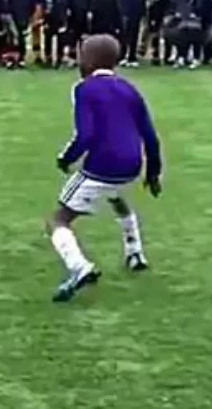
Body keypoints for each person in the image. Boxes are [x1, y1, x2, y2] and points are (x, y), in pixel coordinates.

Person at [48, 34, 162, 302]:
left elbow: (85, 134)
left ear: (89, 60)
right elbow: (150, 134)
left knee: (58, 219)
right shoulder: (129, 88)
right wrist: (153, 172)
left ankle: (79, 268)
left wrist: (65, 158)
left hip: (103, 164)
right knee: (117, 197)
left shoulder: (83, 89)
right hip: (132, 164)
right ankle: (135, 252)